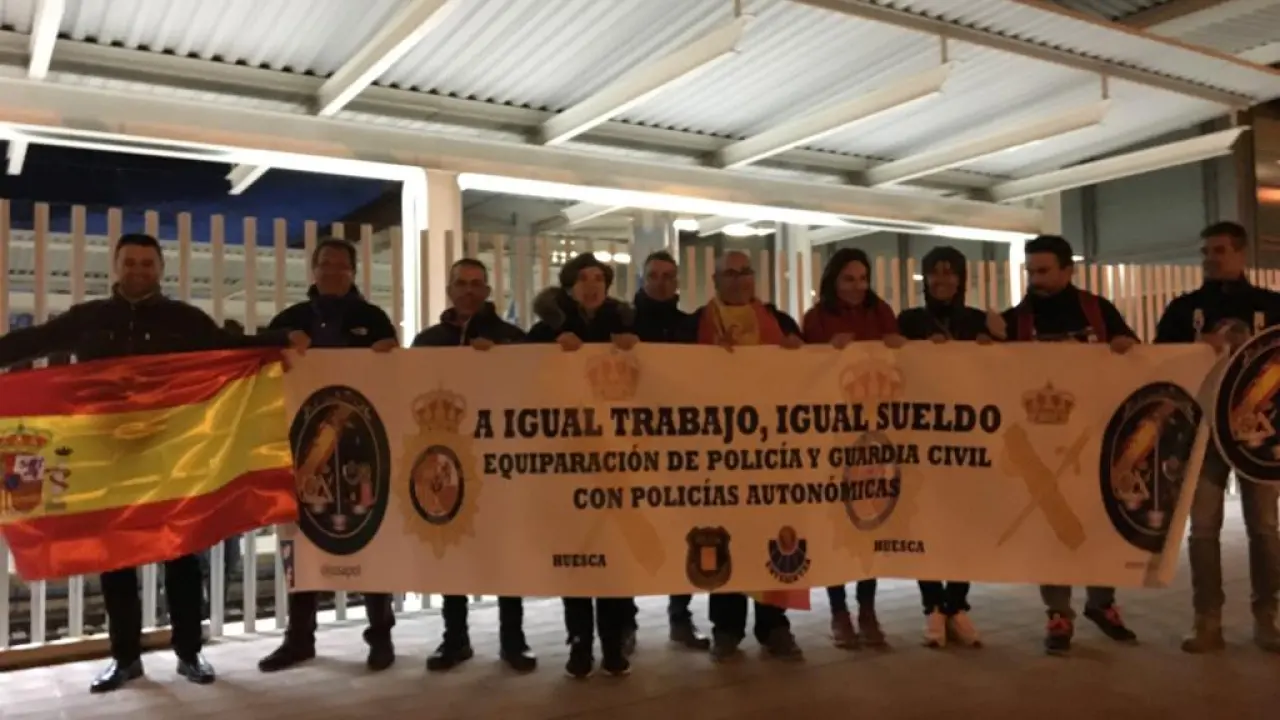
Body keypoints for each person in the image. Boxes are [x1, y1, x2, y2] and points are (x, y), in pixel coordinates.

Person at [0, 233, 308, 693]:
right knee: (114, 559)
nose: (138, 270)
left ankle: (189, 652)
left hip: (171, 452)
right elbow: (35, 340)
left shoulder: (184, 320)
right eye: (131, 262)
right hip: (108, 454)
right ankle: (125, 659)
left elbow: (231, 346)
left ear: (160, 269)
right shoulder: (88, 318)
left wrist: (279, 340)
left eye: (147, 263)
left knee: (182, 553)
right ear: (117, 266)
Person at [257, 238, 401, 674]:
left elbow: (397, 375)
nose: (333, 271)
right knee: (302, 545)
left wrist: (390, 355)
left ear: (353, 272)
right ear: (313, 270)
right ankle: (299, 639)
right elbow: (257, 352)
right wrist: (281, 339)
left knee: (372, 539)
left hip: (362, 446)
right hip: (305, 450)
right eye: (325, 264)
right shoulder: (293, 318)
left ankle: (381, 636)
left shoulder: (373, 319)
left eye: (341, 265)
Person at [994, 234, 1139, 655]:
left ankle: (1102, 603)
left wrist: (1126, 347)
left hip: (1097, 437)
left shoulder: (1098, 310)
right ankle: (1058, 614)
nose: (1035, 279)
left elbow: (1135, 357)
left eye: (1043, 270)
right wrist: (989, 343)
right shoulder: (1014, 321)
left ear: (1067, 270)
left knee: (1100, 520)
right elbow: (989, 375)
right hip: (1041, 445)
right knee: (1053, 527)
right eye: (1030, 271)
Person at [1153, 221, 1280, 654]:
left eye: (1220, 250)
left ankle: (1269, 616)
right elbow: (1158, 363)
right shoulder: (1183, 309)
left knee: (1264, 528)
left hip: (1257, 435)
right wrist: (1195, 344)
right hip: (1200, 430)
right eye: (1206, 251)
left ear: (1242, 253)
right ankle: (1207, 620)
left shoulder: (1271, 306)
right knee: (1203, 529)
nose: (1211, 258)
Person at [677, 250, 805, 662]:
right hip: (720, 453)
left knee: (773, 533)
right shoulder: (694, 326)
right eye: (729, 273)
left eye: (745, 272)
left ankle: (774, 626)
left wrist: (798, 352)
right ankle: (727, 628)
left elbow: (809, 371)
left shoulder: (779, 321)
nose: (738, 279)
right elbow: (675, 376)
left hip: (773, 452)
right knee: (724, 535)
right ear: (715, 280)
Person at [411, 258, 535, 673]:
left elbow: (533, 385)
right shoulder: (427, 341)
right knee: (453, 553)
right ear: (450, 290)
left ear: (487, 291)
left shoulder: (512, 338)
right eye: (461, 283)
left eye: (476, 283)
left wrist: (500, 359)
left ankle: (513, 640)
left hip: (500, 464)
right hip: (446, 462)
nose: (468, 290)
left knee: (504, 552)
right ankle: (455, 639)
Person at [528, 252, 639, 679]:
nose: (592, 286)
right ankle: (578, 641)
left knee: (613, 551)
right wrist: (552, 348)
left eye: (599, 279)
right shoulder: (547, 327)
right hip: (568, 458)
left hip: (617, 456)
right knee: (577, 553)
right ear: (570, 286)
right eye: (583, 279)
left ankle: (613, 642)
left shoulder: (624, 324)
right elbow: (520, 367)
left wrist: (636, 347)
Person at [801, 247, 903, 649]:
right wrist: (824, 351)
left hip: (874, 434)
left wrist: (896, 345)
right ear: (833, 280)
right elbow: (804, 371)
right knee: (837, 522)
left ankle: (868, 610)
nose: (857, 286)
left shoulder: (881, 312)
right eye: (849, 279)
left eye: (863, 279)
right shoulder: (816, 318)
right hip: (834, 434)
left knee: (870, 521)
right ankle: (838, 611)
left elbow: (900, 360)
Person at [896, 246, 989, 649]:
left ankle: (957, 604)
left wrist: (991, 345)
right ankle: (932, 605)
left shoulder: (978, 321)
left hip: (967, 438)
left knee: (964, 521)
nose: (942, 280)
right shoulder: (909, 321)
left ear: (961, 278)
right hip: (922, 438)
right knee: (926, 520)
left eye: (950, 272)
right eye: (935, 272)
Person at [626, 250, 710, 654]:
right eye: (654, 275)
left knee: (682, 530)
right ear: (642, 280)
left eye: (668, 276)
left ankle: (680, 615)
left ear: (677, 282)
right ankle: (624, 623)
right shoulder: (622, 324)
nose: (661, 282)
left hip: (680, 444)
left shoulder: (690, 326)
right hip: (630, 443)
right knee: (630, 529)